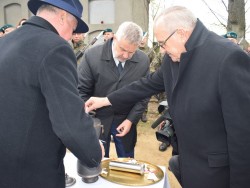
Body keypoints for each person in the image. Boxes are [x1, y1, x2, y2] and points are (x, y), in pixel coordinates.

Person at [85, 6, 250, 188]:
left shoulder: (228, 57)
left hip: (216, 172)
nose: (162, 50)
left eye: (163, 43)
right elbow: (145, 85)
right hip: (186, 163)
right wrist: (106, 100)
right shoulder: (173, 57)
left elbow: (243, 135)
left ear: (180, 33)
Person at [0, 0, 104, 188]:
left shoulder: (5, 42)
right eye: (73, 29)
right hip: (32, 173)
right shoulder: (56, 48)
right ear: (63, 16)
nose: (71, 37)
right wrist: (93, 151)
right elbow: (69, 122)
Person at [78, 21, 150, 158]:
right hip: (97, 119)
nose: (126, 56)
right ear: (115, 38)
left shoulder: (143, 60)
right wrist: (91, 122)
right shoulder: (92, 56)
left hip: (125, 120)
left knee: (127, 165)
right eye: (122, 49)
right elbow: (81, 92)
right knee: (96, 162)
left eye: (131, 52)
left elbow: (143, 95)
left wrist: (131, 120)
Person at [138, 31, 155, 123]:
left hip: (145, 75)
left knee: (145, 94)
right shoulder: (134, 49)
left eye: (144, 38)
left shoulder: (150, 51)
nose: (142, 40)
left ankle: (144, 113)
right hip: (135, 75)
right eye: (141, 38)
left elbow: (153, 63)